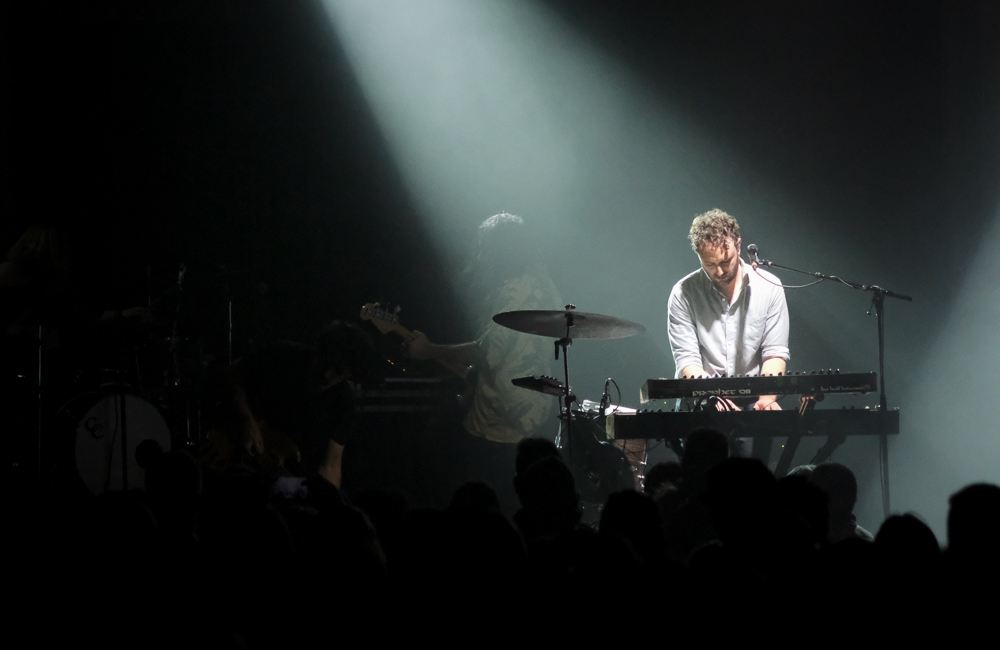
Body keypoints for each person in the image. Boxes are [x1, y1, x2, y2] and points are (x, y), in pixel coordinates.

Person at [405, 212, 562, 511]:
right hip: (535, 412)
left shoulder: (513, 293)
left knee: (481, 500)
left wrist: (428, 350)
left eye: (484, 248)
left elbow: (483, 352)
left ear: (500, 250)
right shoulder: (545, 285)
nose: (480, 256)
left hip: (498, 417)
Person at [667, 209, 789, 412]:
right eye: (709, 264)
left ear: (738, 245)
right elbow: (687, 359)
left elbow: (775, 352)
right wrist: (712, 398)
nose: (719, 271)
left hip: (752, 400)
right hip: (700, 399)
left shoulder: (770, 287)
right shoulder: (683, 293)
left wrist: (767, 398)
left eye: (725, 261)